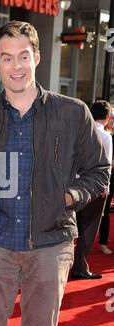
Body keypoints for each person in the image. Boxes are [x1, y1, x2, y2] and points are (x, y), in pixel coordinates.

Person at [0, 20, 110, 326]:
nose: (16, 66)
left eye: (23, 56)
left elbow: (99, 169)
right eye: (7, 57)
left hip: (50, 246)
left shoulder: (72, 113)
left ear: (37, 57)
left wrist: (72, 196)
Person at [71, 100, 113, 279]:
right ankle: (80, 267)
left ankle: (70, 264)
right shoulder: (105, 136)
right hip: (95, 187)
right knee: (88, 229)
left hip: (75, 185)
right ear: (107, 116)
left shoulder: (79, 130)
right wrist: (106, 187)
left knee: (75, 227)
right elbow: (107, 165)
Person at [99, 107, 114, 255]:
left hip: (108, 178)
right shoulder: (106, 136)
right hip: (103, 178)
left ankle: (103, 242)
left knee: (105, 212)